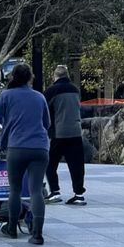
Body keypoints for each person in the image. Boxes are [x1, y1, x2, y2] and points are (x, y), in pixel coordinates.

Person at [0, 62, 51, 245]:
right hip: (40, 147)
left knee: (15, 189)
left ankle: (12, 228)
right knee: (36, 190)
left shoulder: (6, 96)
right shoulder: (39, 97)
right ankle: (37, 234)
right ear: (30, 77)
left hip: (16, 147)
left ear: (12, 77)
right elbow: (47, 124)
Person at [43, 64, 87, 205]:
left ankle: (55, 191)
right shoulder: (75, 90)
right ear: (67, 75)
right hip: (75, 131)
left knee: (50, 163)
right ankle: (79, 194)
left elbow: (45, 111)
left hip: (58, 133)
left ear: (55, 76)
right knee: (77, 165)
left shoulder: (51, 91)